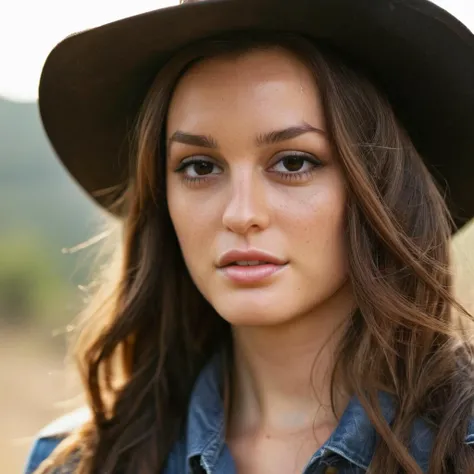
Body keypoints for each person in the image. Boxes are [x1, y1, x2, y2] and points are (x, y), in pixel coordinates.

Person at [24, 0, 474, 473]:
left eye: (293, 162)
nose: (240, 214)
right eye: (200, 167)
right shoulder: (78, 463)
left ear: (382, 187)